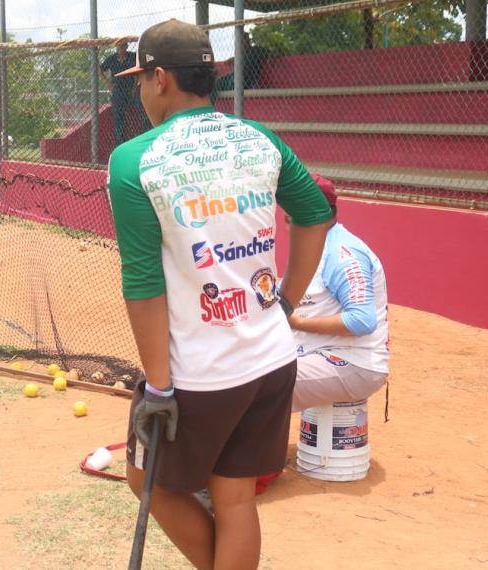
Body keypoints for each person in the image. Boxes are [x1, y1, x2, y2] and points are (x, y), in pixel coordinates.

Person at [107, 19, 333, 569]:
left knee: (147, 479)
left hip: (200, 374)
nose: (139, 90)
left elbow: (143, 284)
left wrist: (158, 386)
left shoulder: (134, 160)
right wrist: (285, 302)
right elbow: (316, 214)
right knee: (233, 498)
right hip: (271, 357)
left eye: (141, 79)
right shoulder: (260, 139)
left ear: (160, 78)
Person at [288, 174, 389, 412]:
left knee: (261, 385)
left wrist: (297, 322)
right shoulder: (315, 243)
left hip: (353, 362)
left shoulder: (342, 254)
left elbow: (362, 320)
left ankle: (245, 449)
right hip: (316, 353)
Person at [101, 41, 149, 145]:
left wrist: (136, 84)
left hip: (132, 88)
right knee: (118, 117)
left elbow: (141, 68)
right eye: (119, 46)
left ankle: (146, 136)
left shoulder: (132, 56)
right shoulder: (112, 59)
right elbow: (99, 69)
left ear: (126, 46)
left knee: (143, 110)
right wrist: (107, 83)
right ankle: (120, 142)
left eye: (123, 45)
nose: (121, 48)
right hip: (118, 89)